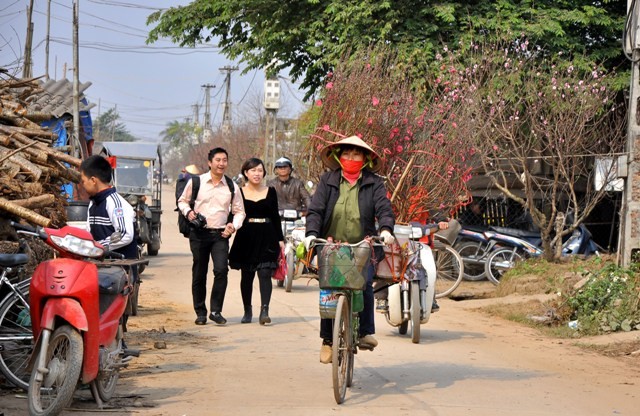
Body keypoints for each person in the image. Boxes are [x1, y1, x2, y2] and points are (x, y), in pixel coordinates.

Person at [304, 136, 395, 364]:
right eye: (347, 154)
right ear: (338, 156)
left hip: (363, 245)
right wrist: (312, 234)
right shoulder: (328, 180)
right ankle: (327, 340)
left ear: (365, 159)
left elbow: (384, 209)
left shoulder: (374, 182)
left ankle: (364, 332)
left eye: (356, 154)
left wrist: (385, 229)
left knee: (363, 284)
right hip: (331, 244)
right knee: (330, 290)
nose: (351, 158)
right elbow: (316, 210)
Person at [178, 148, 246, 326]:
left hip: (220, 235)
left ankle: (216, 311)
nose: (221, 163)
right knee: (199, 273)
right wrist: (189, 213)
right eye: (218, 160)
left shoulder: (232, 186)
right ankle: (200, 312)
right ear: (210, 162)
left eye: (224, 160)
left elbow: (240, 212)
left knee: (221, 270)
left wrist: (233, 226)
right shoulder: (196, 182)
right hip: (199, 234)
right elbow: (182, 201)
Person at [79, 155, 137, 348]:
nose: (82, 185)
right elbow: (89, 231)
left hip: (119, 267)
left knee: (116, 310)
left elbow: (125, 234)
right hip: (102, 264)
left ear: (94, 180)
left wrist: (99, 247)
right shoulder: (93, 203)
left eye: (84, 180)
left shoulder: (115, 202)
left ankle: (119, 346)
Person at [229, 158, 284, 325]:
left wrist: (280, 239)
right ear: (246, 173)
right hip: (246, 235)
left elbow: (275, 217)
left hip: (267, 235)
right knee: (247, 275)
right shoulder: (239, 191)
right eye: (253, 170)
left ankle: (264, 310)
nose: (257, 174)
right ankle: (247, 310)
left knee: (265, 273)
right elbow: (234, 214)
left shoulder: (271, 191)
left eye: (260, 170)